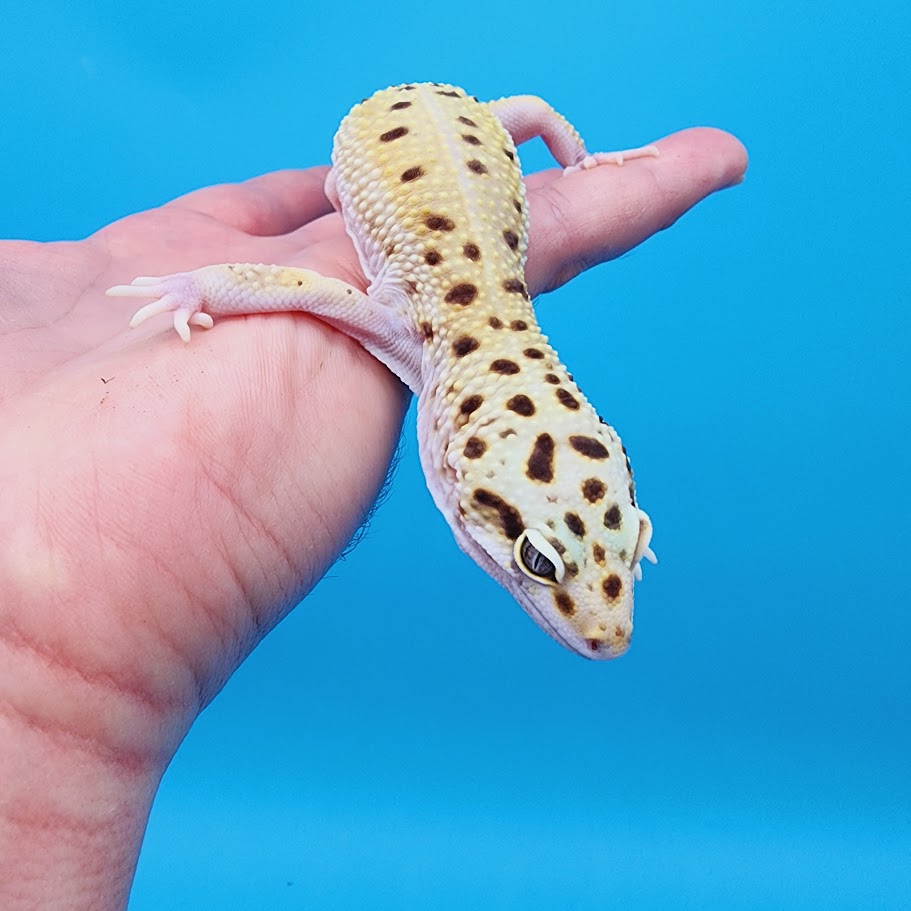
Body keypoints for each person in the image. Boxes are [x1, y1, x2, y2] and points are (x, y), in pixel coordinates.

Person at [0, 127, 746, 909]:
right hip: (412, 138)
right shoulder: (407, 323)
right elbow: (302, 287)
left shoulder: (476, 337)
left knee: (512, 113)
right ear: (457, 468)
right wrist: (198, 290)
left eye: (626, 541)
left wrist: (608, 539)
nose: (604, 623)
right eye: (538, 561)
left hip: (452, 140)